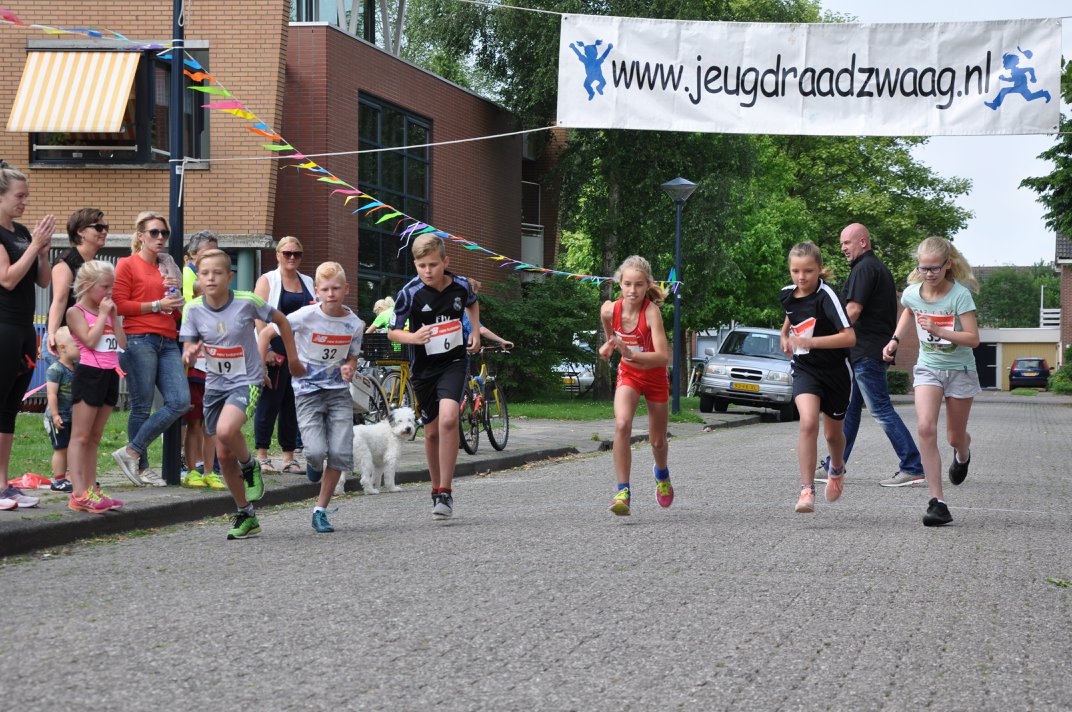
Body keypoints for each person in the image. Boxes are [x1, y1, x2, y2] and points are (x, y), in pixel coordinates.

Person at [181, 249, 304, 539]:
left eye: (218, 273)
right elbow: (188, 345)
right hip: (215, 386)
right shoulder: (193, 309)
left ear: (230, 276)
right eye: (205, 273)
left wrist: (294, 358)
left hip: (246, 381)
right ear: (198, 278)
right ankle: (246, 514)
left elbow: (282, 322)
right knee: (223, 456)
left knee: (225, 431)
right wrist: (189, 354)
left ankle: (249, 465)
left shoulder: (247, 302)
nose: (211, 278)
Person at [883, 236, 980, 527]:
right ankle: (938, 502)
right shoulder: (913, 293)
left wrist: (940, 329)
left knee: (954, 436)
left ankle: (962, 453)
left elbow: (973, 339)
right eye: (923, 268)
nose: (929, 274)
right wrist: (895, 339)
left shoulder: (959, 295)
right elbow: (908, 311)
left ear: (947, 264)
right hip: (928, 368)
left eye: (934, 269)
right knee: (925, 427)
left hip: (960, 369)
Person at [260, 261, 362, 533]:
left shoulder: (354, 323)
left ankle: (320, 510)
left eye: (336, 288)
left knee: (340, 453)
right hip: (307, 393)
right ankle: (313, 466)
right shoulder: (305, 315)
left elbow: (353, 353)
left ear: (346, 289)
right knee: (316, 453)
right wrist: (261, 365)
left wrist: (350, 365)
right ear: (316, 291)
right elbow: (268, 331)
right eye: (325, 289)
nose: (331, 294)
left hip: (338, 393)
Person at [389, 234, 479, 520]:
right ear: (415, 265)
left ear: (445, 262)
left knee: (450, 418)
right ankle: (434, 487)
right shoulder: (410, 293)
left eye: (432, 265)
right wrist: (413, 337)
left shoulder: (460, 286)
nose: (427, 271)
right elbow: (393, 331)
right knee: (430, 431)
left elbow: (472, 303)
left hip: (453, 362)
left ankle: (446, 492)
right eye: (421, 265)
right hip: (423, 369)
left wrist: (474, 332)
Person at [835, 223, 925, 487]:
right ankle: (835, 465)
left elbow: (852, 311)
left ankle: (912, 465)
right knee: (849, 412)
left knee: (881, 411)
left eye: (847, 243)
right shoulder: (875, 268)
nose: (843, 248)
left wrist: (826, 336)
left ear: (863, 242)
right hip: (866, 352)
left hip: (866, 353)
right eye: (841, 244)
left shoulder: (864, 269)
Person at [111, 211, 189, 487]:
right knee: (142, 407)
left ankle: (131, 451)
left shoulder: (167, 267)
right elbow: (119, 305)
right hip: (139, 338)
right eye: (154, 232)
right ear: (140, 236)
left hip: (167, 338)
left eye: (164, 233)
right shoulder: (127, 265)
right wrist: (157, 305)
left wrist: (174, 301)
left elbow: (175, 314)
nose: (160, 238)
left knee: (180, 401)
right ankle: (141, 468)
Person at [779, 241, 855, 514]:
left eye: (808, 271)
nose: (801, 277)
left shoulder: (828, 297)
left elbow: (850, 336)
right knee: (808, 422)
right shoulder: (787, 294)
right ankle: (806, 490)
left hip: (836, 372)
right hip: (805, 368)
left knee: (833, 434)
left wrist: (813, 342)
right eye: (795, 271)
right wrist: (784, 335)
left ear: (820, 270)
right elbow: (791, 316)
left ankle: (836, 468)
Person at [598, 255, 672, 517]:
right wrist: (610, 343)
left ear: (648, 284)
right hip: (629, 375)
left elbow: (664, 357)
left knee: (657, 441)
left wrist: (630, 352)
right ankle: (622, 491)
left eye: (639, 285)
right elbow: (606, 320)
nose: (633, 291)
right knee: (621, 424)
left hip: (654, 377)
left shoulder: (652, 312)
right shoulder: (611, 309)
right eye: (627, 284)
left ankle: (661, 474)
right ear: (620, 284)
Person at [0, 161, 54, 511]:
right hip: (3, 326)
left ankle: (4, 485)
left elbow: (43, 281)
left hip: (23, 328)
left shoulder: (20, 232)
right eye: (20, 196)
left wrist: (43, 252)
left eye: (27, 196)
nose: (24, 202)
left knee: (9, 410)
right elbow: (6, 278)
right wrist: (33, 247)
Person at [66, 260, 127, 513]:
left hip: (110, 374)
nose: (109, 292)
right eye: (104, 287)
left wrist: (114, 317)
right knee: (80, 435)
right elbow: (90, 341)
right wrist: (102, 315)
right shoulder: (76, 312)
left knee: (95, 437)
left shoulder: (109, 311)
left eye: (111, 287)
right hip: (89, 374)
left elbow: (122, 343)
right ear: (88, 285)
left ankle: (92, 488)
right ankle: (79, 491)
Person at [253, 236, 314, 474]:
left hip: (300, 350)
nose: (291, 258)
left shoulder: (307, 281)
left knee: (293, 403)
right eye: (287, 253)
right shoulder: (268, 280)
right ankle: (262, 454)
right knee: (270, 401)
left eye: (296, 254)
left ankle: (289, 456)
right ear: (278, 255)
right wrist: (265, 349)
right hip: (276, 348)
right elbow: (258, 316)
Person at [179, 231, 223, 490]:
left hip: (217, 367)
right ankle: (193, 468)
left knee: (212, 421)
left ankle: (210, 469)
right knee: (194, 419)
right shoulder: (188, 277)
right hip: (196, 365)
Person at [46, 208, 109, 360]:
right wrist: (52, 334)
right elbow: (60, 299)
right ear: (81, 231)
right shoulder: (66, 261)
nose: (105, 232)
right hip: (66, 340)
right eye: (99, 227)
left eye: (106, 228)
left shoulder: (93, 264)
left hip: (86, 336)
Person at [45, 326, 78, 493]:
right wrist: (55, 414)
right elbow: (51, 394)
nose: (81, 348)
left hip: (72, 416)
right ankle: (58, 480)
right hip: (57, 416)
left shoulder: (77, 367)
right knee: (61, 448)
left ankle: (74, 478)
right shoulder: (55, 370)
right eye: (76, 345)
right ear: (63, 347)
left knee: (73, 447)